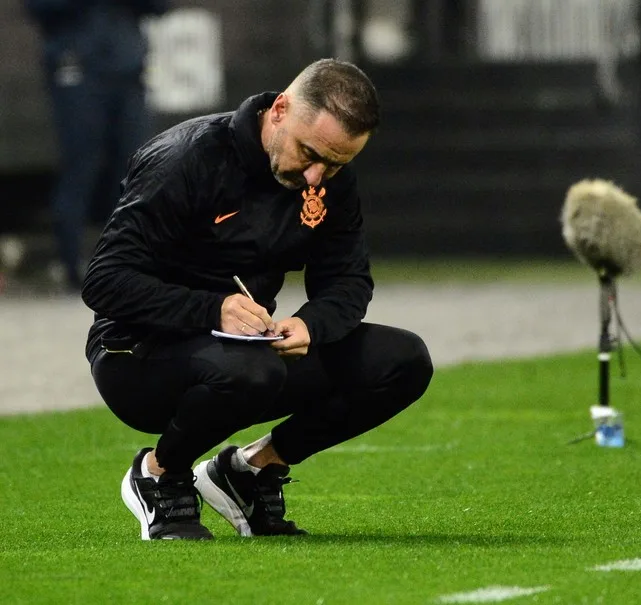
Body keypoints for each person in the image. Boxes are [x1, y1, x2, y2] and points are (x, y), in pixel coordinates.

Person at [81, 59, 434, 540]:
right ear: (280, 109)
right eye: (310, 153)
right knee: (252, 370)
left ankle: (249, 470)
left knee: (403, 360)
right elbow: (104, 280)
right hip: (136, 355)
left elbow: (348, 279)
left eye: (335, 163)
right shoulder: (187, 158)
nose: (316, 175)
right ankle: (158, 475)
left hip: (243, 355)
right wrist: (213, 308)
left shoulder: (327, 177)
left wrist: (313, 323)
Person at [23, 0, 169, 290]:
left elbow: (160, 6)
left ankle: (131, 263)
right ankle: (71, 264)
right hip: (77, 67)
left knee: (136, 168)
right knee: (81, 165)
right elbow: (38, 8)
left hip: (127, 70)